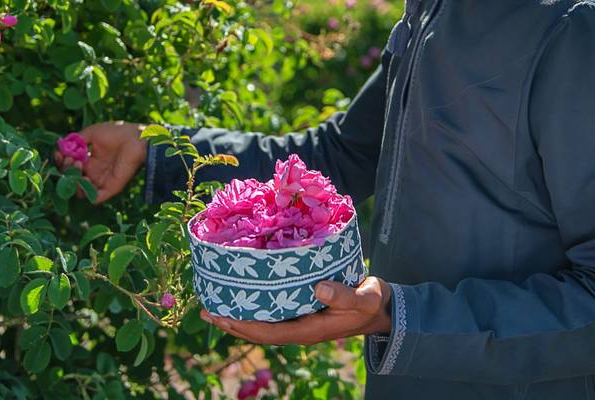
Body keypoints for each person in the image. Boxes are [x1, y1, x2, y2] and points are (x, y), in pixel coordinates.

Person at [55, 1, 595, 398]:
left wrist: (397, 314)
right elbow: (341, 154)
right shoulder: (434, 9)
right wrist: (159, 151)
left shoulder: (574, 30)